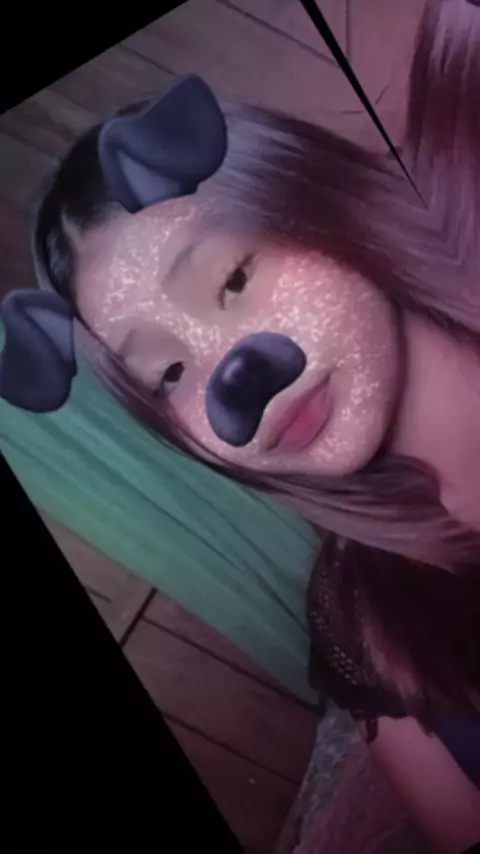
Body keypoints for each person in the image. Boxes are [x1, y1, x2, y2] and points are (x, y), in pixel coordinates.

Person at [1, 0, 479, 850]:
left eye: (232, 281)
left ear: (306, 195)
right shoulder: (365, 623)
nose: (233, 379)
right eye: (169, 375)